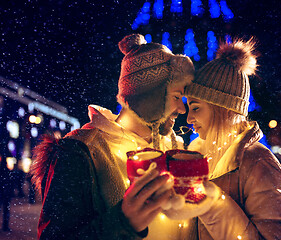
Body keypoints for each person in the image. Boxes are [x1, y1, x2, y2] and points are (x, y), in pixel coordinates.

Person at [31, 34, 196, 239]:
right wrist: (123, 222)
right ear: (148, 96)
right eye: (176, 97)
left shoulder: (174, 146)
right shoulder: (79, 151)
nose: (182, 109)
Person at [185, 38, 281, 239]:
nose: (189, 118)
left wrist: (209, 203)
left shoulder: (259, 163)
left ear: (222, 108)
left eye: (196, 108)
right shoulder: (197, 155)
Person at [0, 156, 13, 232]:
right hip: (6, 193)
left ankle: (5, 226)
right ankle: (5, 226)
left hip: (1, 192)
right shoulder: (8, 171)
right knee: (6, 210)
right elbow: (11, 182)